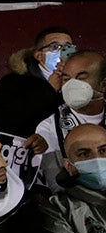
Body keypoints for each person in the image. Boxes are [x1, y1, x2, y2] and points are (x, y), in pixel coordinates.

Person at [30, 51, 106, 191]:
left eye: (81, 78)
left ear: (103, 85)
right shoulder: (50, 127)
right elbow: (54, 183)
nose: (72, 85)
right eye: (66, 79)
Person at [0, 26, 74, 138]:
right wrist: (49, 89)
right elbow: (8, 121)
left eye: (68, 47)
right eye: (55, 47)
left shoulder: (81, 81)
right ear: (39, 56)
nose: (63, 52)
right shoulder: (14, 83)